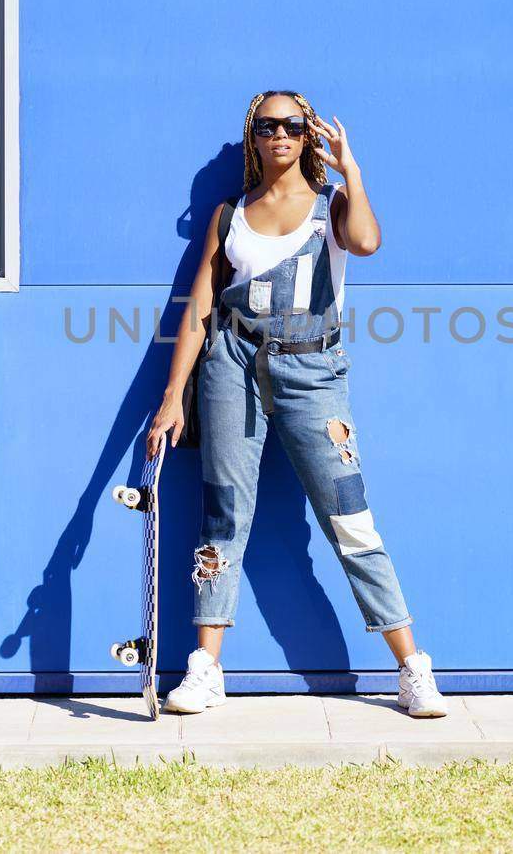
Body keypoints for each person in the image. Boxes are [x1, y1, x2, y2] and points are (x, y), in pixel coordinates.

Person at [146, 90, 448, 718]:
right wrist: (173, 396)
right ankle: (205, 668)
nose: (279, 134)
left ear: (307, 135)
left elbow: (366, 243)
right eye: (266, 126)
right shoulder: (230, 216)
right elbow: (199, 311)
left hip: (314, 371)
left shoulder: (330, 207)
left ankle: (411, 666)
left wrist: (351, 171)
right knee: (223, 515)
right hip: (232, 367)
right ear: (253, 137)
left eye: (292, 125)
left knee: (348, 515)